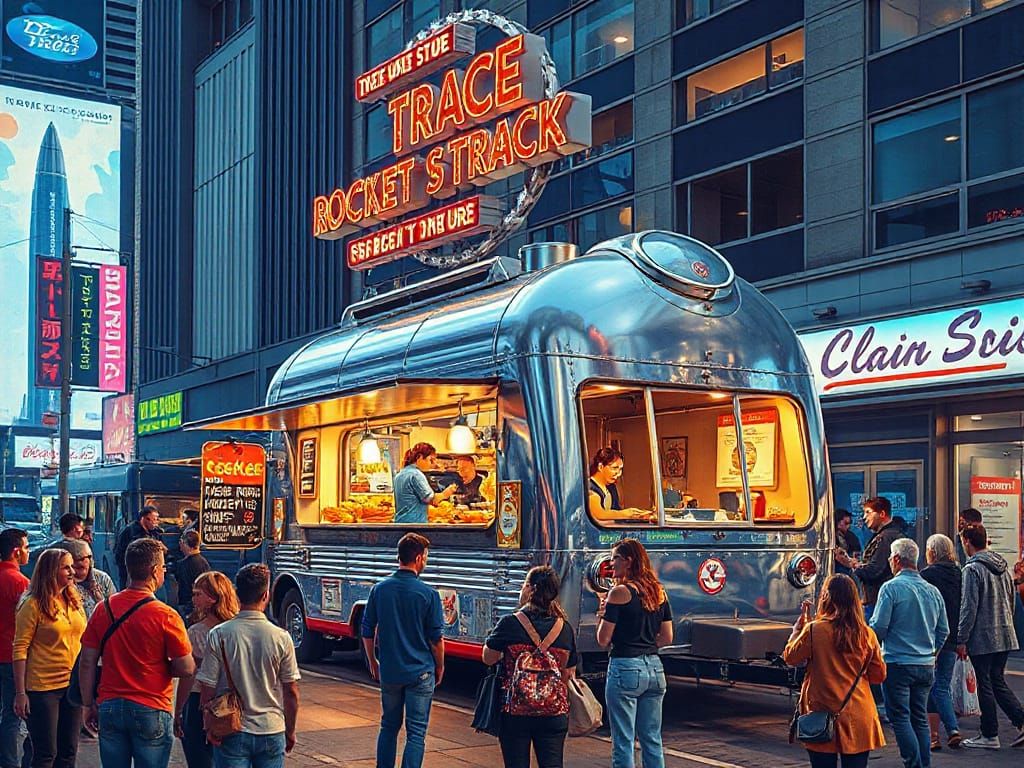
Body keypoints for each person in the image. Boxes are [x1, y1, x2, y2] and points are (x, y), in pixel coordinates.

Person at [78, 537, 194, 768]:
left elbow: (87, 662)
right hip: (151, 705)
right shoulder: (166, 615)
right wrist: (163, 668)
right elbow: (187, 667)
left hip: (110, 704)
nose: (163, 572)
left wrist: (87, 703)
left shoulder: (105, 608)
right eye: (162, 567)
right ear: (153, 571)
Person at [198, 564, 299, 767]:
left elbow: (207, 686)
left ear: (237, 594)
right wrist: (290, 730)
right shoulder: (282, 638)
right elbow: (291, 692)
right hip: (272, 729)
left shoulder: (219, 634)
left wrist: (208, 725)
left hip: (232, 729)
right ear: (265, 596)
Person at [783, 574, 887, 768]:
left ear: (826, 597)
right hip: (858, 715)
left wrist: (797, 630)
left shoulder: (814, 630)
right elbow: (878, 676)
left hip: (821, 714)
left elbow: (790, 657)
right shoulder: (867, 634)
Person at [361, 533, 444, 768]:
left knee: (388, 726)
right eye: (425, 557)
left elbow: (367, 631)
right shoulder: (429, 594)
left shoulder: (380, 589)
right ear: (418, 558)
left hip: (391, 671)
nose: (426, 561)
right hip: (421, 673)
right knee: (416, 733)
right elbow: (436, 639)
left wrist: (373, 662)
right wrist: (440, 666)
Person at [482, 566, 577, 768]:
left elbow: (488, 658)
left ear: (531, 589)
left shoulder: (510, 622)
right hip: (554, 712)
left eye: (524, 584)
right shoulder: (565, 628)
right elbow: (568, 672)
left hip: (516, 712)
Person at [869, 538, 948, 768]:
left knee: (900, 718)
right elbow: (944, 630)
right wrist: (932, 653)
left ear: (895, 559)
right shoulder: (933, 591)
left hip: (897, 662)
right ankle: (924, 764)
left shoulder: (891, 588)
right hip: (925, 665)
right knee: (919, 718)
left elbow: (879, 628)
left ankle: (913, 764)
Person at [596, 538, 672, 768]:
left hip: (626, 666)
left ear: (628, 561)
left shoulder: (619, 593)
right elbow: (667, 637)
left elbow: (603, 639)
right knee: (652, 738)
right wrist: (646, 643)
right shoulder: (658, 591)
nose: (611, 563)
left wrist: (602, 614)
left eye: (615, 558)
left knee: (623, 740)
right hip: (655, 668)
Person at [12, 549, 87, 768]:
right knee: (46, 753)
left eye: (72, 566)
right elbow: (19, 649)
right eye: (66, 567)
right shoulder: (32, 604)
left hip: (72, 686)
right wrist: (20, 693)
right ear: (50, 571)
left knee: (69, 750)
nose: (73, 571)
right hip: (42, 688)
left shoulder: (73, 600)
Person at [955, 523, 1024, 749]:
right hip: (1004, 632)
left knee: (985, 683)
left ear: (967, 541)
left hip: (982, 636)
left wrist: (962, 639)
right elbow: (1012, 600)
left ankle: (989, 734)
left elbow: (968, 607)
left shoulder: (972, 569)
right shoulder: (1003, 566)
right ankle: (1021, 720)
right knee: (997, 680)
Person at [173, 572, 239, 768]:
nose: (193, 599)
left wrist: (178, 711)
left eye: (197, 594)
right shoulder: (236, 630)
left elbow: (189, 675)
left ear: (213, 598)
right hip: (231, 703)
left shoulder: (196, 632)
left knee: (199, 759)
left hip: (198, 702)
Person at [920, 534, 961, 750]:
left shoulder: (927, 575)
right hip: (954, 636)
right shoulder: (959, 573)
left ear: (932, 552)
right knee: (941, 684)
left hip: (932, 636)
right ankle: (935, 736)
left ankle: (949, 730)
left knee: (936, 687)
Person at [835, 497, 902, 612]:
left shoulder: (886, 537)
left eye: (868, 512)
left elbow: (873, 570)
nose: (864, 517)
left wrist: (850, 564)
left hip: (878, 602)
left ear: (882, 514)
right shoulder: (887, 535)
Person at [0, 529, 30, 768]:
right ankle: (9, 762)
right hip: (11, 655)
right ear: (15, 551)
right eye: (26, 548)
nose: (28, 552)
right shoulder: (19, 582)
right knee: (12, 714)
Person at [393, 444, 456, 524]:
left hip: (400, 523)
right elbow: (431, 499)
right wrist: (446, 493)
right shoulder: (416, 474)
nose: (431, 464)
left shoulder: (400, 475)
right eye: (430, 460)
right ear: (419, 457)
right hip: (415, 524)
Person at [54, 539, 115, 619]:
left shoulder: (103, 578)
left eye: (82, 559)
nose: (78, 563)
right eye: (73, 561)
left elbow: (115, 608)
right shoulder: (62, 581)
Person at [113, 505, 163, 588]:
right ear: (144, 519)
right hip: (130, 571)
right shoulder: (130, 531)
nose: (156, 522)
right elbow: (120, 552)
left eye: (157, 519)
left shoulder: (155, 532)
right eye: (153, 519)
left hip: (148, 571)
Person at [174, 531, 210, 621]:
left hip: (187, 605)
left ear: (185, 544)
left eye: (182, 543)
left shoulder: (183, 565)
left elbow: (184, 586)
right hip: (201, 603)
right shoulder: (204, 562)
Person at [588, 448, 623, 518]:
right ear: (600, 467)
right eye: (614, 468)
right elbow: (599, 515)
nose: (618, 474)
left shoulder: (612, 487)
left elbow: (617, 510)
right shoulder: (589, 488)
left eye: (620, 469)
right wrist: (629, 514)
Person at [835, 509, 861, 576]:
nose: (848, 526)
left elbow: (857, 553)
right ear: (837, 522)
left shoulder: (851, 537)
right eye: (846, 523)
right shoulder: (828, 537)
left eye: (850, 523)